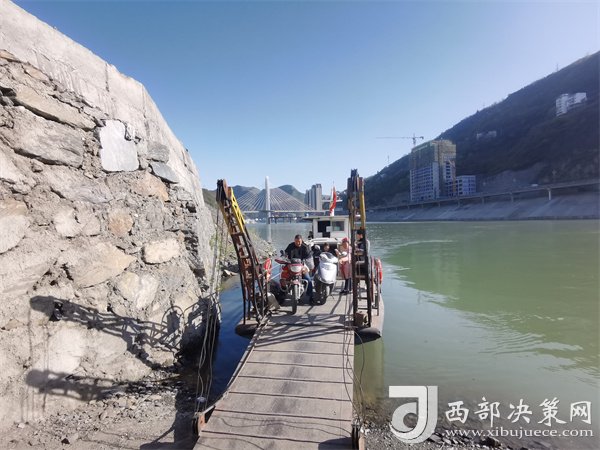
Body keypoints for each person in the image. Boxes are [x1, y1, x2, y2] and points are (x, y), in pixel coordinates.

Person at [284, 234, 313, 301]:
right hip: (291, 266)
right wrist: (284, 257)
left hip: (301, 265)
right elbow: (285, 254)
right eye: (296, 241)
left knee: (308, 279)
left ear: (301, 240)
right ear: (294, 240)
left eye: (299, 241)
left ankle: (311, 296)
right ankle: (282, 294)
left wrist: (307, 267)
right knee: (284, 278)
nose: (298, 243)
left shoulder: (305, 247)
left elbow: (309, 257)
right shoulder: (290, 246)